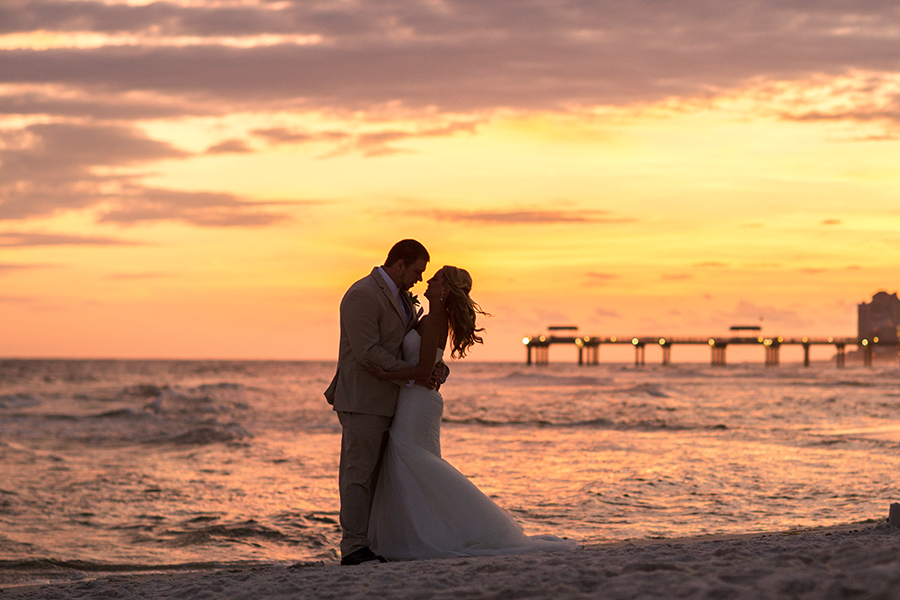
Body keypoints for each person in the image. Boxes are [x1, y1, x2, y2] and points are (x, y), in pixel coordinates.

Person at [365, 266, 577, 559]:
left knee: (411, 461)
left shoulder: (435, 318)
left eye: (436, 279)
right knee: (418, 466)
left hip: (417, 400)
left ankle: (437, 533)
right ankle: (435, 531)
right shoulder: (430, 318)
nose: (428, 281)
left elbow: (425, 369)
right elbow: (430, 364)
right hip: (418, 399)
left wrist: (382, 373)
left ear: (446, 289)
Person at [324, 239, 442, 565]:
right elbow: (367, 353)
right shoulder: (362, 294)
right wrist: (417, 372)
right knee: (358, 475)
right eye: (417, 270)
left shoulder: (402, 298)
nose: (420, 279)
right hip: (363, 398)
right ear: (400, 264)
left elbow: (407, 345)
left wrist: (432, 367)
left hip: (394, 399)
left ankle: (373, 542)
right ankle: (353, 548)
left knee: (379, 477)